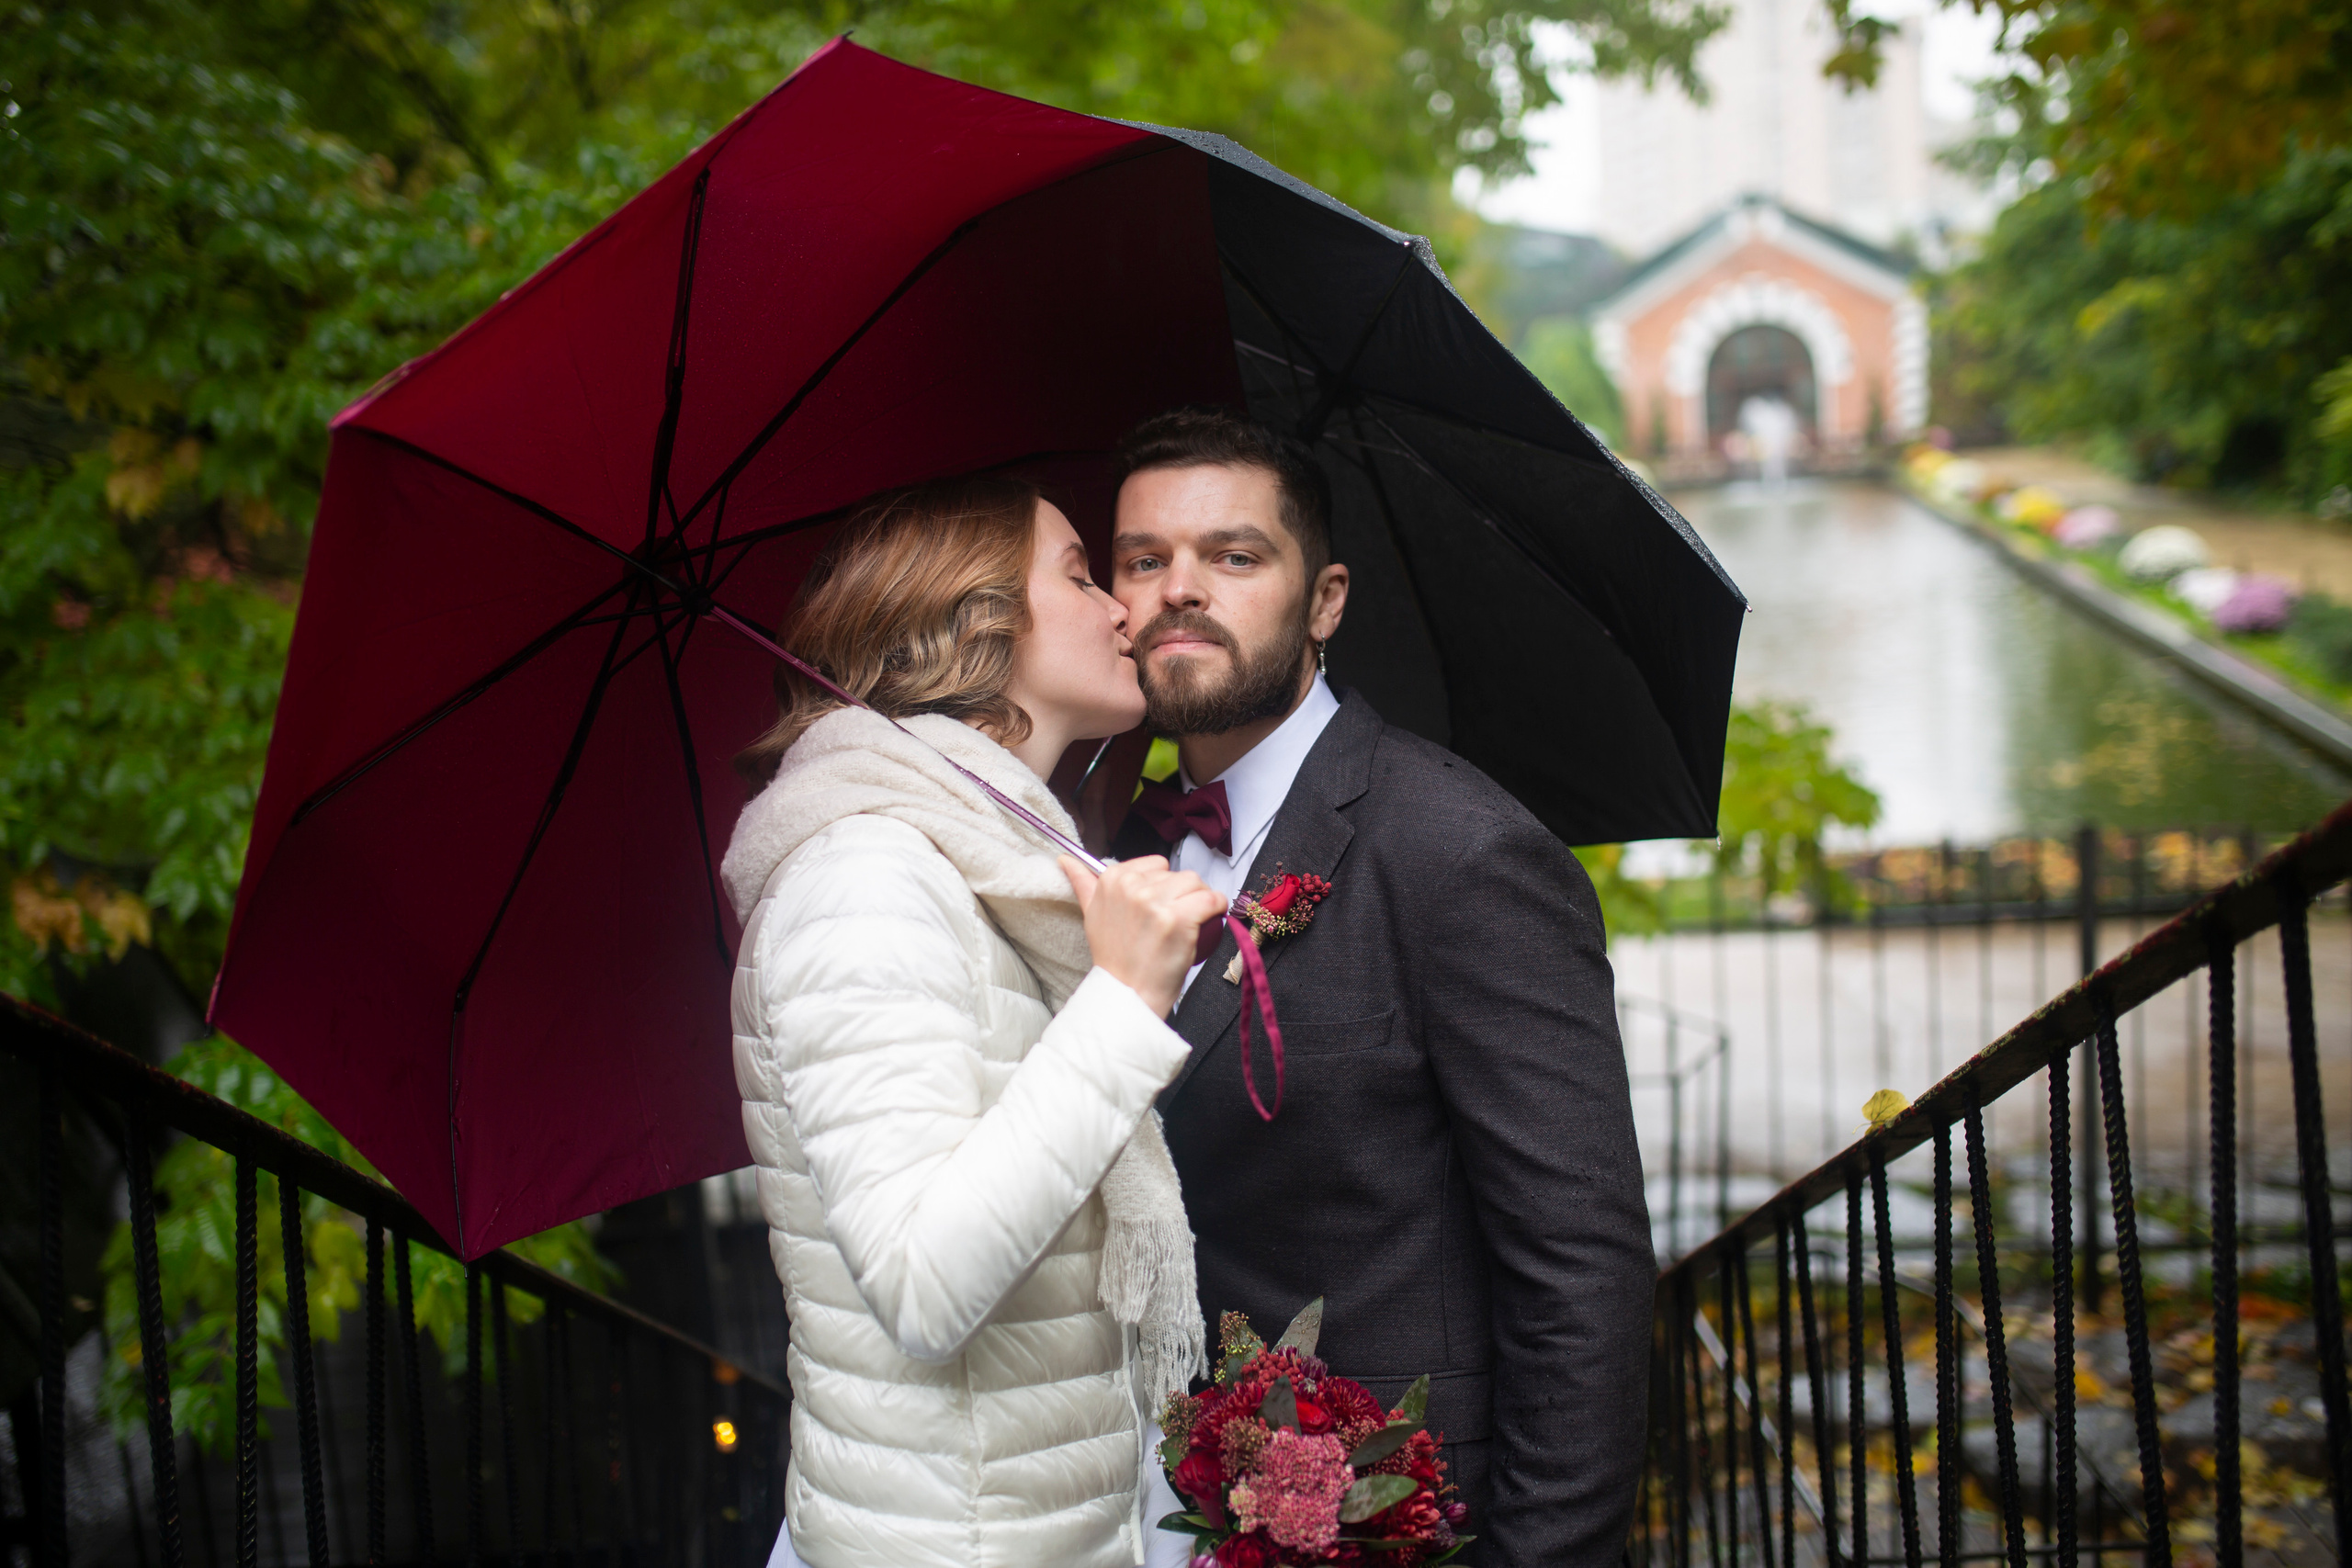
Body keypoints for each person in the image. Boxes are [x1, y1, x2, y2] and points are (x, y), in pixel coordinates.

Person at [1107, 408, 1656, 1567]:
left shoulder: (1461, 852)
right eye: (1144, 560)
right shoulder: (1113, 853)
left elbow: (1581, 1277)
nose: (1179, 589)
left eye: (1234, 555)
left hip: (1404, 1520)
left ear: (1326, 601)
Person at [721, 477, 1226, 1568]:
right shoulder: (865, 876)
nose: (1124, 611)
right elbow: (923, 1280)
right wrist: (1121, 1008)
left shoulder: (988, 866)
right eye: (1082, 576)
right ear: (975, 618)